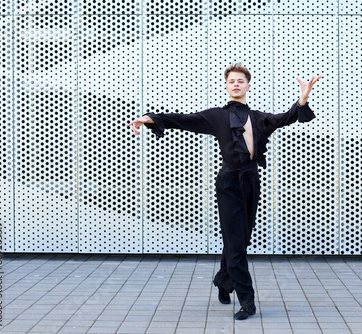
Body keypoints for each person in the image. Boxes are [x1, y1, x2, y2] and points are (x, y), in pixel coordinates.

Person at [127, 63, 322, 320]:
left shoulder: (259, 118)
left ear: (248, 86)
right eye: (232, 81)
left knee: (241, 239)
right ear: (227, 86)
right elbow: (183, 119)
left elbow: (286, 117)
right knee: (236, 243)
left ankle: (222, 279)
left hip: (252, 180)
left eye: (241, 81)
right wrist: (151, 118)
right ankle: (247, 302)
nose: (236, 84)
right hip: (229, 182)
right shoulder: (217, 116)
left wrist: (303, 98)